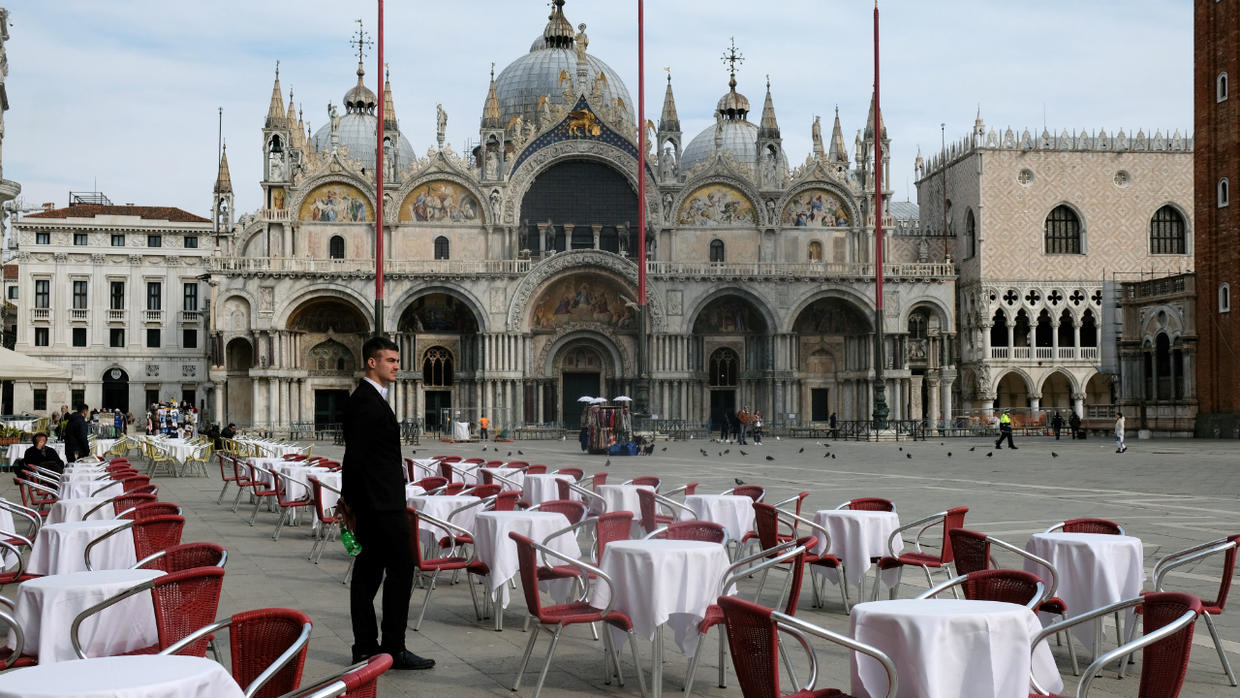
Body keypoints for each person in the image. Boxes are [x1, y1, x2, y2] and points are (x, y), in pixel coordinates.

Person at [342, 336, 432, 671]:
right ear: (372, 362)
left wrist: (351, 502)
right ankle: (392, 647)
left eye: (396, 360)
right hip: (380, 506)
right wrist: (352, 504)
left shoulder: (371, 399)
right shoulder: (365, 401)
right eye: (391, 360)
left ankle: (366, 647)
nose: (397, 366)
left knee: (367, 575)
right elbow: (356, 459)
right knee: (399, 570)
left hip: (376, 503)